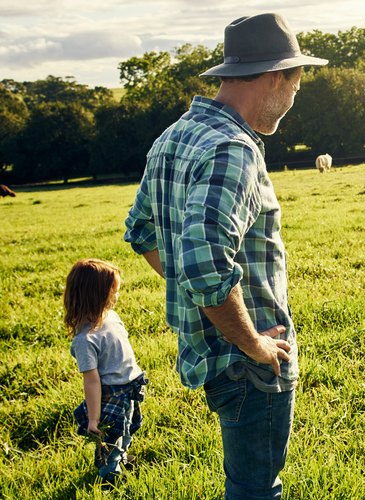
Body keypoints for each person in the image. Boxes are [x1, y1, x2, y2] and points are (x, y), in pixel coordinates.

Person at [123, 12, 327, 498]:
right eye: (297, 84)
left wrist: (199, 299)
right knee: (256, 488)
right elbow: (203, 261)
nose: (294, 99)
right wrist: (253, 341)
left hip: (212, 355)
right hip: (249, 365)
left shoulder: (174, 136)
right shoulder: (233, 148)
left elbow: (141, 232)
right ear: (278, 77)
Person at [65, 258, 147, 485]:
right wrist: (94, 418)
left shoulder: (110, 317)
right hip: (112, 393)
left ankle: (119, 456)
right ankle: (109, 476)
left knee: (129, 426)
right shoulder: (85, 340)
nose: (117, 296)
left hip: (130, 385)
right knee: (111, 437)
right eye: (114, 291)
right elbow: (91, 382)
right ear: (96, 295)